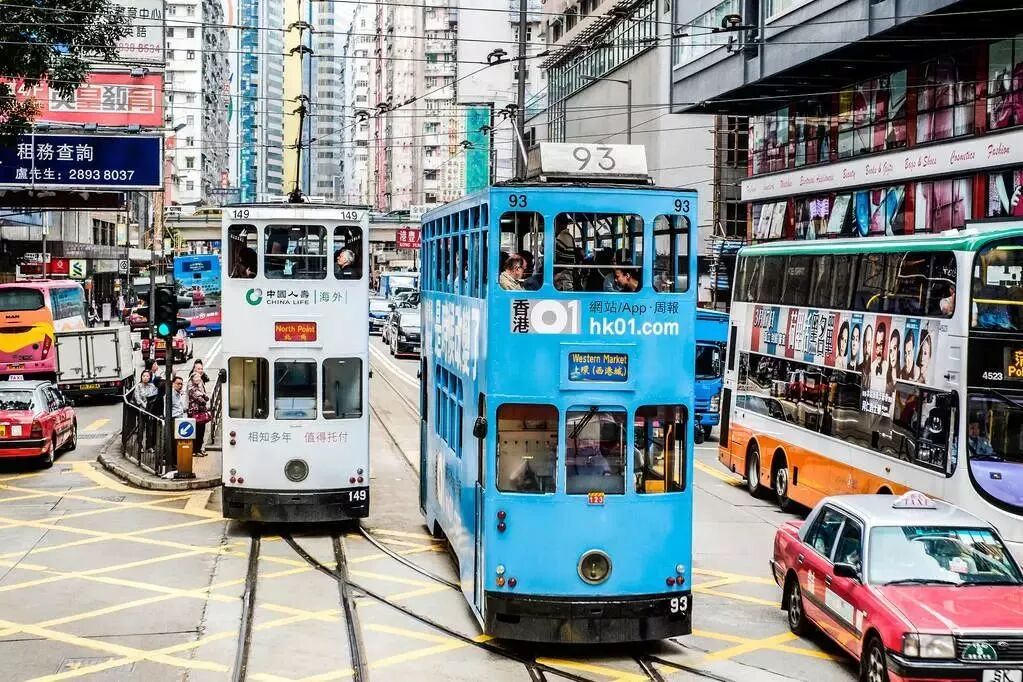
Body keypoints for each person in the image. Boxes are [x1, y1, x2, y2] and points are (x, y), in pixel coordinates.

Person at [187, 372, 211, 456]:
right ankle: (195, 450)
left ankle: (199, 449)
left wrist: (203, 395)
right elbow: (202, 401)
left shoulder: (199, 388)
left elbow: (207, 398)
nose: (198, 379)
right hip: (195, 413)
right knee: (197, 432)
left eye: (199, 377)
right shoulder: (191, 389)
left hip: (201, 412)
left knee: (202, 431)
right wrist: (203, 395)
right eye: (196, 378)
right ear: (192, 379)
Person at [886, 328, 901, 396]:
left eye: (894, 348)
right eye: (890, 351)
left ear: (898, 350)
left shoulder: (902, 375)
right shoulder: (887, 375)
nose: (892, 355)